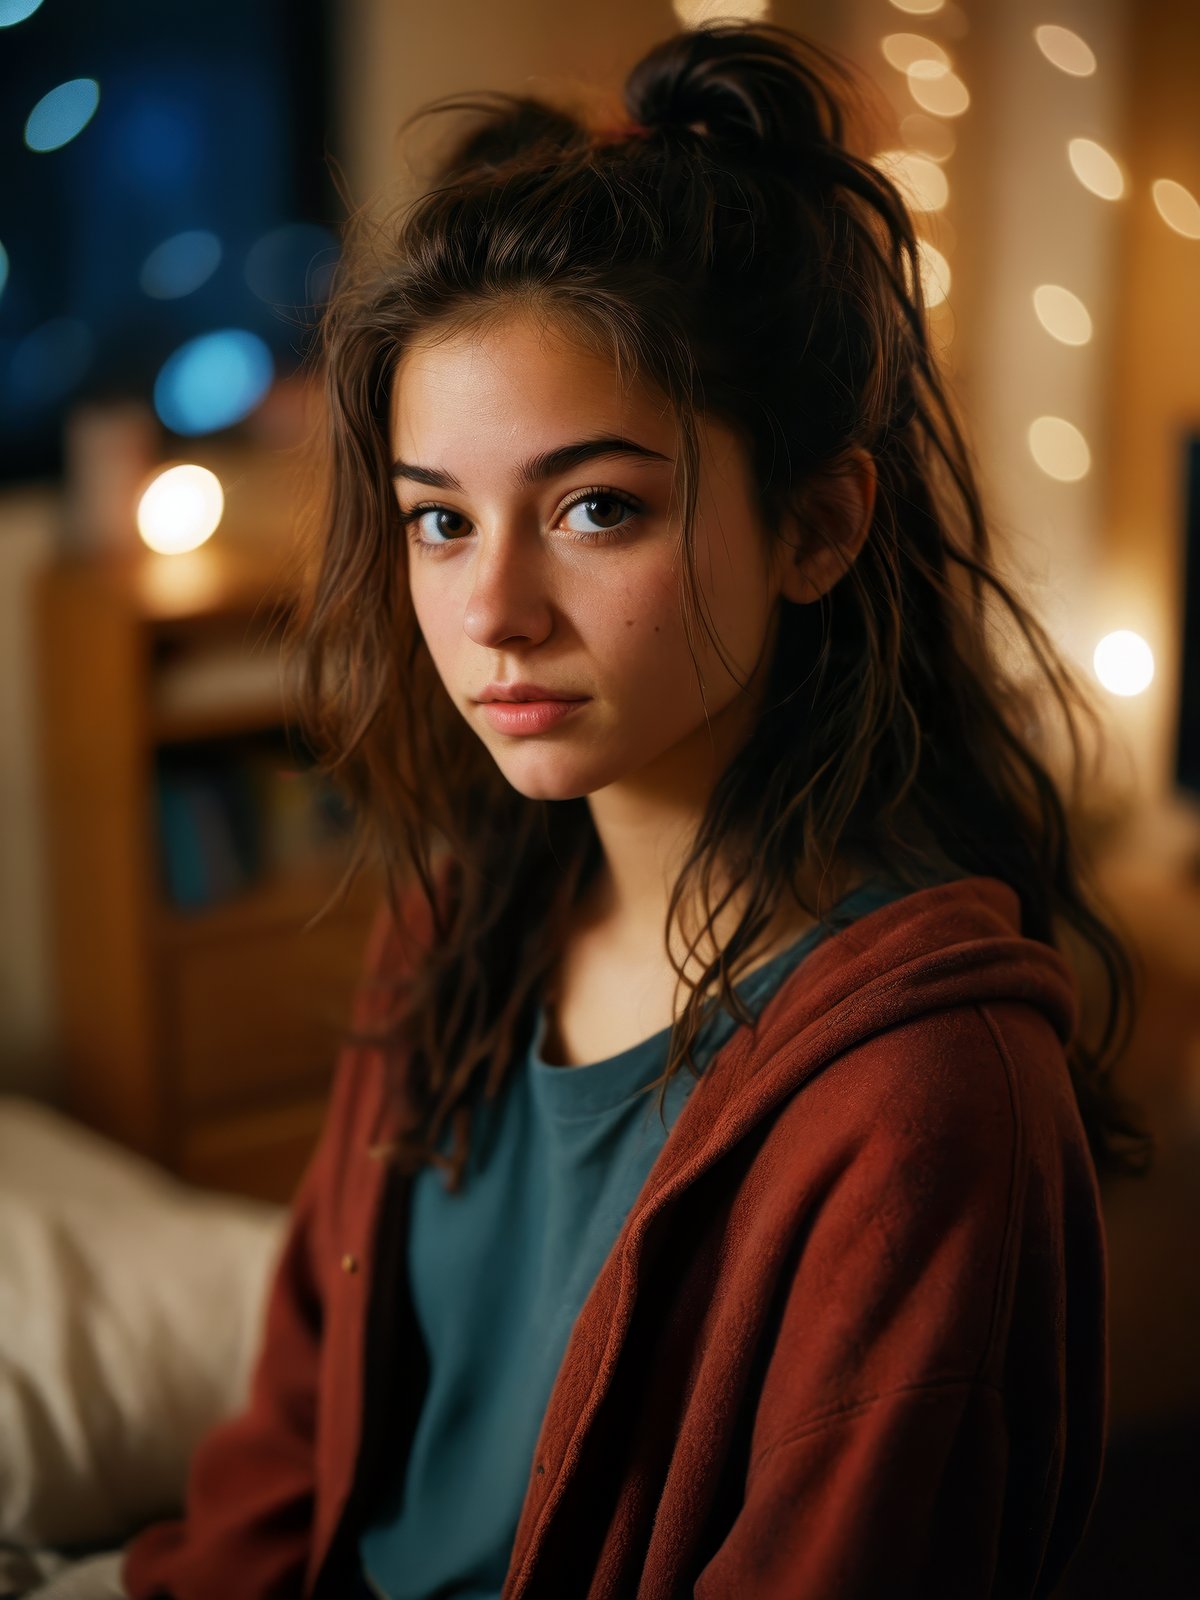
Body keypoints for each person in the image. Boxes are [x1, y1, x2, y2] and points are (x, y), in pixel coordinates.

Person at [121, 21, 1153, 1600]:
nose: (495, 612)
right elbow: (291, 1442)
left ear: (815, 526)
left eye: (597, 507)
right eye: (440, 523)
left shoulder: (922, 1105)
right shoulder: (456, 935)